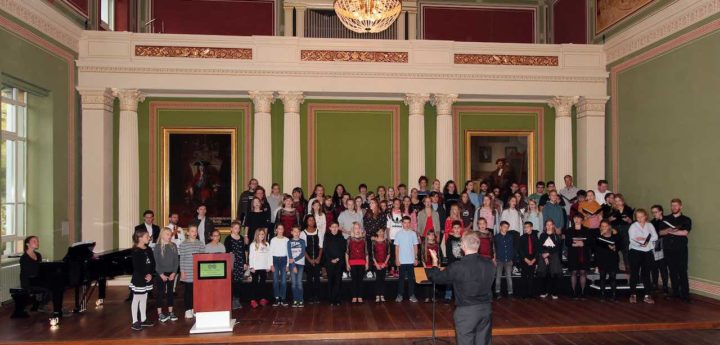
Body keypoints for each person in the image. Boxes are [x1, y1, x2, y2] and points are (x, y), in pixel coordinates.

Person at [427, 232, 495, 345]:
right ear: (478, 245)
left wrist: (435, 262)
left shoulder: (458, 266)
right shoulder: (490, 264)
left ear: (463, 246)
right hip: (486, 309)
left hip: (466, 311)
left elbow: (437, 278)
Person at [661, 198, 692, 302]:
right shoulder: (666, 219)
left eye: (676, 205)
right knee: (672, 272)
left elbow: (685, 233)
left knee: (682, 271)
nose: (673, 207)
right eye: (672, 205)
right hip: (668, 249)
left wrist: (671, 232)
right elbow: (660, 233)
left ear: (680, 206)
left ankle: (685, 295)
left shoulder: (686, 219)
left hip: (681, 249)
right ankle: (675, 293)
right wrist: (668, 230)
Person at [628, 209, 657, 304]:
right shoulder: (633, 226)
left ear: (646, 216)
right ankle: (633, 294)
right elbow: (632, 239)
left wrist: (644, 239)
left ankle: (647, 295)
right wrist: (640, 244)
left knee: (646, 274)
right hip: (635, 251)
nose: (640, 219)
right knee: (634, 273)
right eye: (638, 217)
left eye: (641, 216)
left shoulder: (650, 225)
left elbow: (655, 237)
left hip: (647, 252)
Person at [129, 228, 155, 331]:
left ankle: (143, 319)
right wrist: (145, 275)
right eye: (147, 237)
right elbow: (137, 266)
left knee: (144, 298)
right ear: (140, 238)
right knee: (137, 299)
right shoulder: (135, 251)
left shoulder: (148, 249)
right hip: (139, 278)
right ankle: (135, 321)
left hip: (148, 277)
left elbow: (152, 263)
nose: (149, 238)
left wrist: (150, 274)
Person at [154, 227, 179, 323]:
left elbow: (176, 261)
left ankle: (170, 312)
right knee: (160, 293)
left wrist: (174, 272)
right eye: (167, 234)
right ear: (162, 235)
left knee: (170, 293)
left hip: (171, 273)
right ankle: (160, 313)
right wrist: (161, 274)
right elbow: (156, 263)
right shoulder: (157, 247)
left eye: (170, 234)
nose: (169, 236)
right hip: (161, 273)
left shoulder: (173, 246)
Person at [179, 225, 204, 319]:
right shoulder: (184, 244)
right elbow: (182, 259)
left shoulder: (200, 243)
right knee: (188, 291)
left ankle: (195, 308)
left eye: (196, 231)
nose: (194, 233)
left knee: (196, 291)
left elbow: (202, 257)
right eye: (192, 231)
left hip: (197, 271)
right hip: (187, 271)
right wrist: (182, 271)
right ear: (188, 233)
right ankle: (188, 309)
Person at [566, 214, 591, 299]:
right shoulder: (569, 230)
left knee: (583, 272)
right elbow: (567, 242)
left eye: (578, 218)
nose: (576, 219)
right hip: (573, 253)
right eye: (575, 218)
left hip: (583, 254)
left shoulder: (586, 230)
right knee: (573, 272)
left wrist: (583, 243)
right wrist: (573, 244)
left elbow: (591, 242)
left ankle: (583, 292)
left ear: (582, 219)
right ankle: (573, 292)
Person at [395, 216, 419, 303]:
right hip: (401, 260)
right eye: (405, 222)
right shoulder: (398, 234)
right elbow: (397, 248)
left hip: (411, 260)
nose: (407, 224)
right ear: (402, 223)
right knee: (401, 279)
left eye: (408, 222)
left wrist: (416, 258)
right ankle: (400, 295)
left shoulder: (413, 233)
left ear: (410, 223)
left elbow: (415, 246)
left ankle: (411, 295)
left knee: (411, 279)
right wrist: (397, 259)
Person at [300, 215, 324, 304]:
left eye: (313, 220)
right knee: (309, 278)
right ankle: (309, 297)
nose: (311, 221)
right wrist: (310, 260)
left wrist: (318, 258)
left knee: (317, 278)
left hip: (318, 258)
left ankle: (317, 296)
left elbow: (321, 246)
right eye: (310, 220)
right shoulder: (303, 233)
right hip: (308, 259)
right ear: (306, 222)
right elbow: (303, 248)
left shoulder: (319, 232)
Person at [225, 221, 248, 310]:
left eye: (238, 228)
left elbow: (243, 252)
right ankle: (232, 300)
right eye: (235, 228)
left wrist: (245, 263)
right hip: (232, 263)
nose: (237, 230)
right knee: (233, 282)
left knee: (239, 281)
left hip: (240, 262)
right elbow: (228, 252)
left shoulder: (241, 238)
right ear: (231, 229)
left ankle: (237, 299)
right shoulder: (228, 238)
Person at [594, 220, 619, 300]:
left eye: (605, 226)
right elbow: (595, 247)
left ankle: (614, 294)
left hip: (612, 258)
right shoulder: (598, 236)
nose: (604, 228)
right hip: (602, 258)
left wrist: (615, 247)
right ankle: (602, 294)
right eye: (602, 226)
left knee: (613, 276)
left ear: (609, 226)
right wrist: (601, 235)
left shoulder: (614, 235)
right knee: (602, 277)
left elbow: (620, 245)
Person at [538, 220, 562, 300]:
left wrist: (548, 254)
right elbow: (540, 246)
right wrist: (545, 256)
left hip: (553, 257)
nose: (548, 226)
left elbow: (557, 247)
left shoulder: (556, 236)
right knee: (544, 275)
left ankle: (554, 292)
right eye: (547, 225)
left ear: (553, 226)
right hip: (543, 257)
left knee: (554, 275)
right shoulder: (542, 235)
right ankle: (544, 291)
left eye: (550, 224)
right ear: (545, 226)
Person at [248, 228, 271, 309]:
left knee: (263, 283)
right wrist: (251, 267)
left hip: (264, 267)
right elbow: (251, 256)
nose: (262, 235)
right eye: (260, 234)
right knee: (254, 283)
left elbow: (269, 256)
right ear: (257, 235)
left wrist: (269, 265)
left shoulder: (267, 244)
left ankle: (262, 298)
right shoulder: (253, 244)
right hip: (255, 267)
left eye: (263, 234)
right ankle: (253, 300)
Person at [324, 222, 347, 306]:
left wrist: (337, 259)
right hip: (330, 262)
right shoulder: (326, 237)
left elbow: (343, 249)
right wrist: (331, 259)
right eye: (332, 227)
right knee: (331, 281)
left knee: (338, 281)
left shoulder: (341, 237)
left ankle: (337, 299)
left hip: (339, 262)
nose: (334, 228)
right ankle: (331, 300)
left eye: (336, 227)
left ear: (338, 228)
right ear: (330, 228)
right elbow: (325, 250)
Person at [346, 222, 368, 304]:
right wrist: (347, 264)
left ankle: (360, 296)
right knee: (354, 280)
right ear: (353, 229)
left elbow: (366, 252)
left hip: (362, 262)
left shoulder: (364, 239)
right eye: (355, 228)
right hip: (352, 262)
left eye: (358, 228)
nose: (357, 230)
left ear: (361, 229)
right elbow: (347, 252)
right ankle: (354, 296)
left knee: (360, 280)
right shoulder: (349, 239)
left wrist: (367, 263)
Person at [650, 205, 670, 295]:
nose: (654, 214)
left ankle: (665, 286)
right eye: (653, 212)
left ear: (661, 211)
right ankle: (655, 284)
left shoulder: (667, 220)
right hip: (657, 244)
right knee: (654, 266)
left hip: (666, 244)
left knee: (663, 266)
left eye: (656, 212)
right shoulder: (652, 222)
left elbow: (670, 231)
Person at [494, 221, 515, 299]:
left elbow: (512, 248)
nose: (505, 228)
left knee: (509, 276)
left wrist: (512, 258)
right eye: (504, 226)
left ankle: (510, 293)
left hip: (508, 260)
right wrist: (495, 259)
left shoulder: (510, 236)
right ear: (500, 227)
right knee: (498, 277)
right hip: (499, 260)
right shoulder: (496, 237)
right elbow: (494, 249)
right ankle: (497, 292)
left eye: (507, 227)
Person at [517, 222, 539, 298]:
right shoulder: (521, 237)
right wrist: (525, 259)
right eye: (525, 227)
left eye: (528, 227)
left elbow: (537, 250)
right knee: (524, 276)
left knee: (531, 276)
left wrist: (534, 259)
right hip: (524, 259)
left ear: (531, 228)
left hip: (533, 259)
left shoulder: (535, 237)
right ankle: (523, 293)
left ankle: (530, 293)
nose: (526, 228)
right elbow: (520, 250)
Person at [270, 224, 289, 307]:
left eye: (282, 228)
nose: (280, 230)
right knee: (275, 280)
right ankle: (277, 298)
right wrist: (271, 264)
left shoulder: (287, 240)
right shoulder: (273, 240)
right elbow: (270, 253)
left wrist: (288, 264)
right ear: (276, 230)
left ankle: (283, 298)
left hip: (284, 260)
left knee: (284, 280)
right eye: (279, 228)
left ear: (283, 230)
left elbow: (289, 253)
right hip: (275, 260)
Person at [287, 226, 306, 307]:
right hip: (292, 265)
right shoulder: (289, 242)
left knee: (299, 282)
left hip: (300, 264)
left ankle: (301, 300)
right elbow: (289, 254)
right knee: (294, 283)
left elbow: (302, 253)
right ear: (292, 232)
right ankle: (295, 300)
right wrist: (293, 265)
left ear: (300, 233)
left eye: (298, 231)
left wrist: (294, 260)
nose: (296, 233)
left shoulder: (302, 241)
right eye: (294, 231)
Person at [372, 228, 390, 303]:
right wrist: (376, 264)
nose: (381, 233)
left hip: (384, 264)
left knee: (383, 280)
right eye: (379, 231)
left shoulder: (386, 241)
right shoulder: (374, 242)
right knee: (377, 280)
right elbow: (372, 254)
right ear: (377, 232)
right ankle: (377, 295)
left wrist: (384, 263)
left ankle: (382, 295)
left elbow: (388, 254)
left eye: (382, 231)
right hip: (376, 264)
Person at [422, 231, 440, 302]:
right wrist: (424, 266)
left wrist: (438, 265)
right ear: (427, 236)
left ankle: (434, 297)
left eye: (433, 235)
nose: (432, 236)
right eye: (430, 235)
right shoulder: (424, 244)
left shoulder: (436, 245)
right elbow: (422, 256)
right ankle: (427, 297)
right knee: (427, 282)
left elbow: (439, 256)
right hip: (427, 266)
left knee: (434, 282)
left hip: (435, 266)